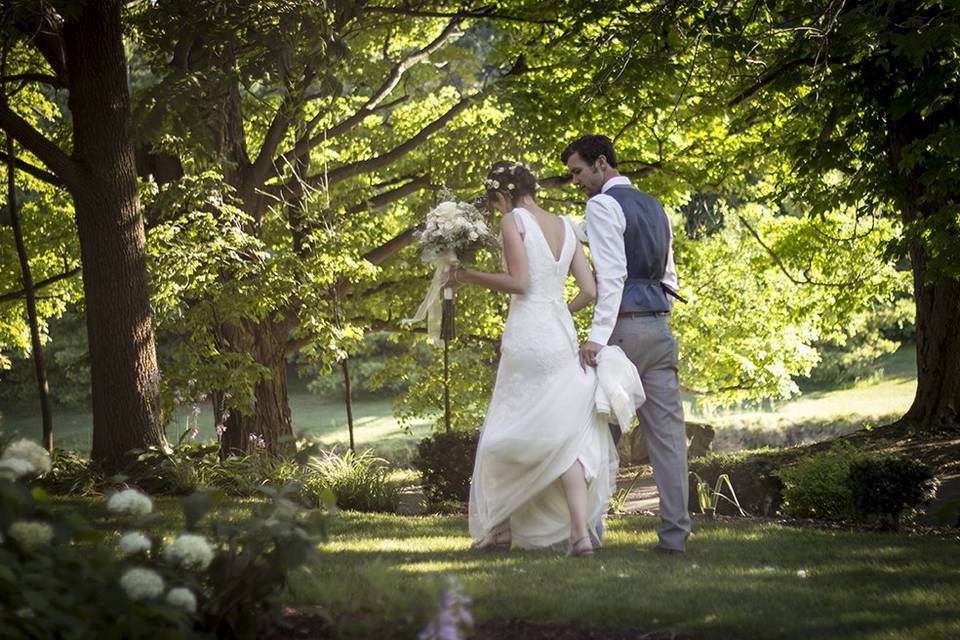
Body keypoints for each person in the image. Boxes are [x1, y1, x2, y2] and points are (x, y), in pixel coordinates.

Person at [449, 160, 618, 557]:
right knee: (563, 434)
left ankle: (501, 529)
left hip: (527, 336)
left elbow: (520, 283)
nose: (495, 212)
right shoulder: (565, 223)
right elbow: (590, 290)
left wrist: (466, 276)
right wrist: (559, 311)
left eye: (494, 204)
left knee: (501, 434)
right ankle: (579, 536)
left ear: (503, 195)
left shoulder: (514, 220)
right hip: (559, 336)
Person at [562, 134, 690, 554]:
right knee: (668, 437)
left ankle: (587, 533)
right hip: (659, 327)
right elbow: (669, 275)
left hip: (622, 333)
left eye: (578, 172)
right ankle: (675, 538)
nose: (575, 181)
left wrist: (597, 339)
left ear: (601, 163)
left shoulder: (601, 205)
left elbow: (611, 278)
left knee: (595, 431)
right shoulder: (655, 205)